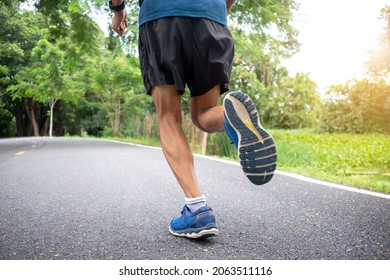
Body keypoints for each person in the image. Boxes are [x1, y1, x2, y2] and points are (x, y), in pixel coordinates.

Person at [109, 0, 277, 239]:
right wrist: (216, 11)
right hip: (212, 19)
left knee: (168, 116)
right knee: (204, 113)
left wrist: (118, 10)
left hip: (162, 17)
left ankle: (197, 209)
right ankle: (230, 117)